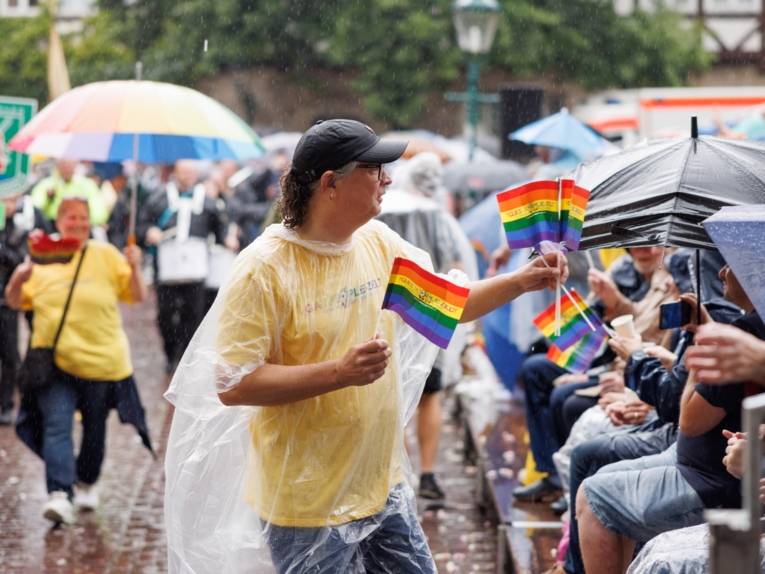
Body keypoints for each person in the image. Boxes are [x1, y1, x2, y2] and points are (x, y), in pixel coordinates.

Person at [163, 119, 568, 573]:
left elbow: (446, 304)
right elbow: (234, 383)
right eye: (375, 169)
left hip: (381, 486)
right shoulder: (263, 269)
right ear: (330, 183)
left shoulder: (378, 243)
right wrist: (340, 372)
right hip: (305, 505)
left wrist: (523, 280)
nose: (388, 179)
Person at [576, 264, 764, 574]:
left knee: (596, 499)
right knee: (596, 477)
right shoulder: (743, 326)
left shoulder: (745, 333)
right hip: (704, 464)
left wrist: (701, 347)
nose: (722, 272)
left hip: (713, 482)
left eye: (732, 264)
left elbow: (689, 419)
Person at [4, 197, 153, 525]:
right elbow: (15, 301)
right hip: (54, 362)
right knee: (57, 424)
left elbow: (136, 296)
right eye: (71, 218)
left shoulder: (105, 254)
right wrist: (17, 279)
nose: (78, 223)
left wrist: (135, 266)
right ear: (58, 222)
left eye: (83, 217)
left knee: (95, 428)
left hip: (101, 361)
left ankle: (86, 481)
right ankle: (60, 493)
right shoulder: (43, 256)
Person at [138, 160, 227, 374]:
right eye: (183, 172)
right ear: (175, 173)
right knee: (165, 315)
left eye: (191, 172)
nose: (187, 176)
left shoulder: (207, 202)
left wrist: (227, 237)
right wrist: (149, 232)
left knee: (193, 315)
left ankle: (186, 357)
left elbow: (220, 230)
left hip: (195, 270)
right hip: (166, 269)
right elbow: (142, 225)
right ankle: (170, 353)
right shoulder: (159, 199)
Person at [0, 193, 50, 424]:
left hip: (8, 299)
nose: (6, 205)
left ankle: (7, 403)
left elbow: (22, 258)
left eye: (9, 200)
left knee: (10, 351)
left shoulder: (21, 226)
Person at [30, 159, 108, 225]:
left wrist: (81, 221)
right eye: (63, 164)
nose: (66, 167)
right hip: (51, 227)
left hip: (82, 227)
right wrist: (48, 198)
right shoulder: (46, 184)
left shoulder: (87, 184)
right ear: (57, 165)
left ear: (75, 165)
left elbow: (100, 213)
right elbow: (35, 208)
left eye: (69, 164)